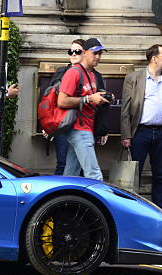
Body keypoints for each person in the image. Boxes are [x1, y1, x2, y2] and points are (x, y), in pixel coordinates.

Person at [120, 44, 162, 212]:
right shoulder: (134, 78)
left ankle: (161, 214)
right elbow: (125, 109)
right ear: (154, 58)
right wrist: (126, 135)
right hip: (139, 132)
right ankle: (132, 212)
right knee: (133, 176)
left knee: (161, 176)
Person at [57, 37, 111, 180]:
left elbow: (88, 100)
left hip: (86, 128)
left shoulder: (92, 75)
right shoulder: (74, 72)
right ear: (85, 53)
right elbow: (61, 101)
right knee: (94, 175)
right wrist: (89, 98)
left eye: (100, 53)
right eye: (95, 53)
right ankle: (104, 203)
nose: (98, 57)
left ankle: (64, 200)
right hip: (79, 129)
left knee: (70, 176)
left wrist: (98, 98)